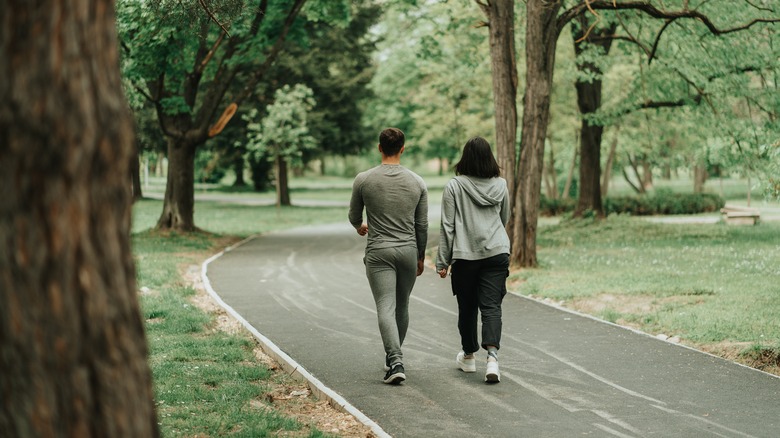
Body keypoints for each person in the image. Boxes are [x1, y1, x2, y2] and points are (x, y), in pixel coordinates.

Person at [349, 127, 428, 385]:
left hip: (379, 252)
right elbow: (422, 225)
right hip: (407, 250)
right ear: (402, 148)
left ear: (380, 148)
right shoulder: (417, 182)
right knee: (402, 304)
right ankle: (394, 357)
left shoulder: (363, 179)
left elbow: (354, 216)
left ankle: (394, 359)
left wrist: (361, 226)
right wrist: (420, 256)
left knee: (385, 305)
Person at [436, 136, 510, 383]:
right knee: (492, 307)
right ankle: (492, 359)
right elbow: (504, 217)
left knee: (467, 307)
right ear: (490, 158)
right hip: (497, 252)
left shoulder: (454, 186)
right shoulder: (501, 185)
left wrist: (442, 261)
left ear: (465, 158)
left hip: (465, 256)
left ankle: (468, 356)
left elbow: (447, 226)